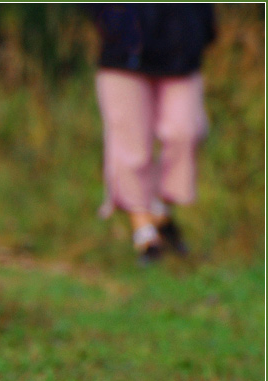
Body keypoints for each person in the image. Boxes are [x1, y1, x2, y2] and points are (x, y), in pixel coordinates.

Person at [84, 4, 217, 263]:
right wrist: (114, 22)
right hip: (124, 56)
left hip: (182, 56)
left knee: (186, 131)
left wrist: (200, 31)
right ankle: (145, 233)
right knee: (131, 148)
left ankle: (160, 209)